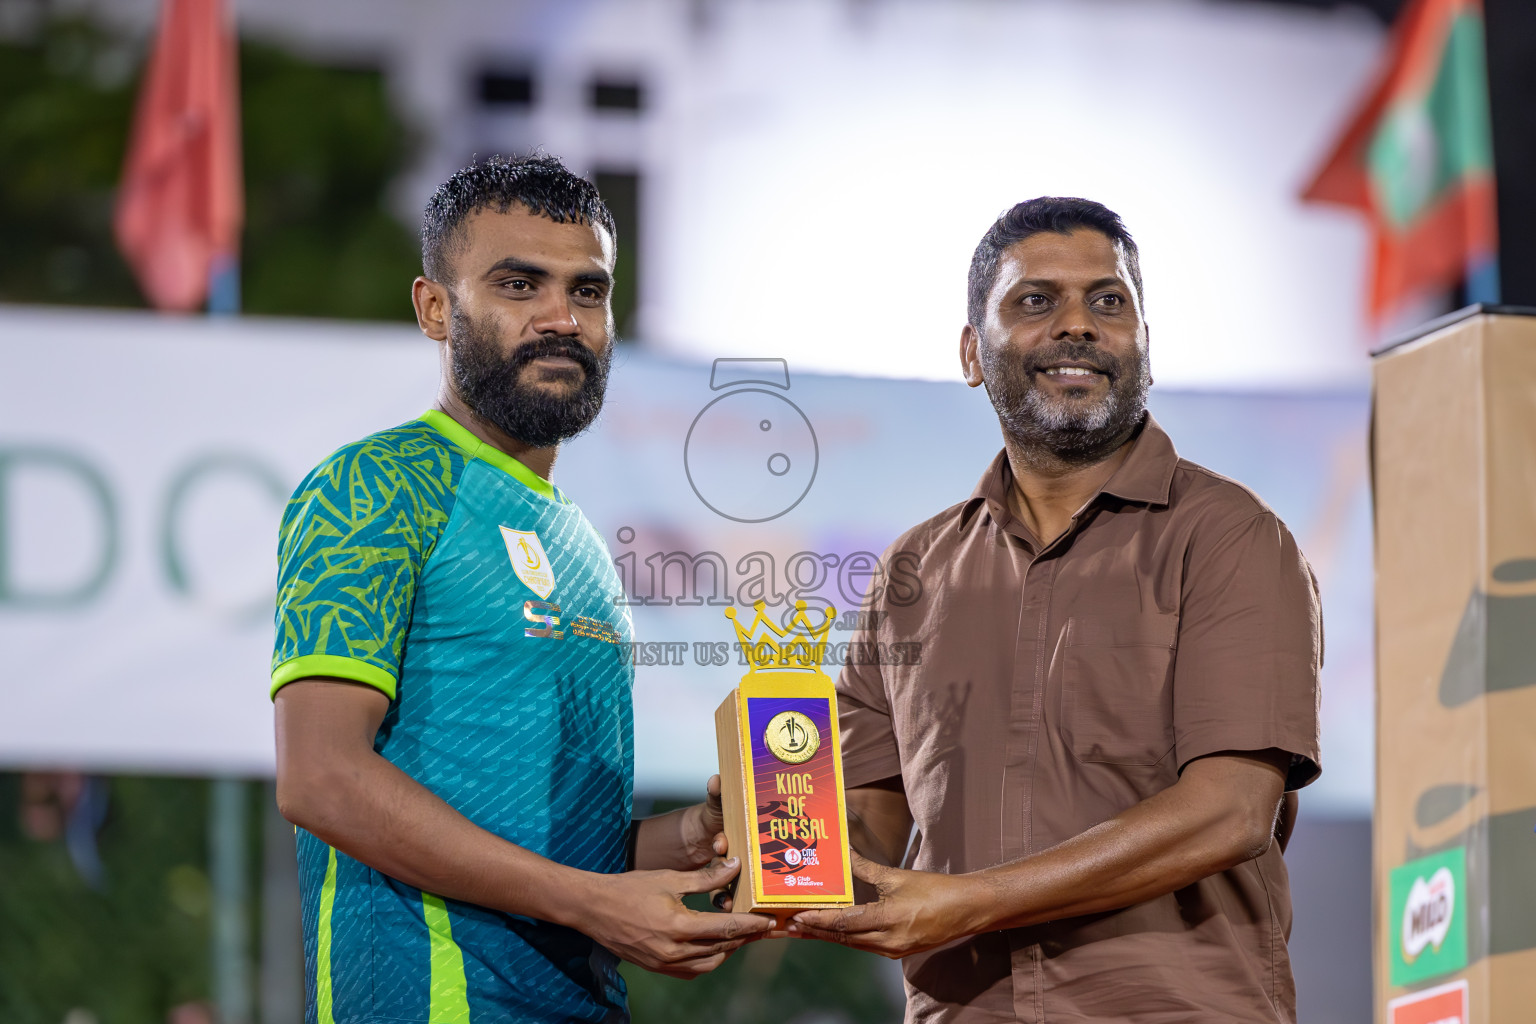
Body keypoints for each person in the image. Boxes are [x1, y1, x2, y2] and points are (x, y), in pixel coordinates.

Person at [791, 198, 1322, 1023]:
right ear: (972, 353)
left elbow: (1229, 811)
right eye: (1035, 301)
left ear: (1144, 346)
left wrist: (971, 901)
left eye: (1108, 303)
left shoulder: (1232, 538)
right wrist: (783, 832)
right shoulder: (912, 571)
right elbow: (872, 818)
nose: (1078, 325)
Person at [270, 155, 769, 1023]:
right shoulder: (374, 486)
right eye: (518, 284)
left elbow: (566, 851)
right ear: (435, 309)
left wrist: (691, 839)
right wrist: (589, 904)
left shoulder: (577, 540)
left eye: (587, 291)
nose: (561, 318)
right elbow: (319, 776)